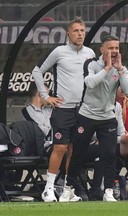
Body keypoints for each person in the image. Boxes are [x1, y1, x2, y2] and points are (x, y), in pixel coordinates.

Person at [32, 17, 95, 202]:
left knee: (73, 150)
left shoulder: (90, 53)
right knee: (59, 147)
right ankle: (48, 189)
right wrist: (46, 96)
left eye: (82, 31)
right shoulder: (59, 52)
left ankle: (67, 189)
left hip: (82, 110)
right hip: (63, 108)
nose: (80, 34)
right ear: (68, 33)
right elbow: (37, 71)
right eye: (76, 31)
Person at [66, 35, 128, 202]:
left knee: (109, 154)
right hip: (87, 115)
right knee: (78, 153)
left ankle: (108, 191)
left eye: (117, 48)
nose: (114, 51)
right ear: (102, 49)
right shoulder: (91, 64)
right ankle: (68, 187)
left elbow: (127, 89)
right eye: (110, 48)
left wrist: (119, 70)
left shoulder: (120, 68)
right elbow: (90, 83)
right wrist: (107, 68)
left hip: (107, 117)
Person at [89, 102, 128, 200]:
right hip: (91, 145)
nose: (124, 92)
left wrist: (126, 138)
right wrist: (120, 139)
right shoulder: (94, 102)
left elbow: (121, 132)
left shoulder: (117, 106)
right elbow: (92, 136)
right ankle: (102, 189)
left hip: (111, 143)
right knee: (105, 147)